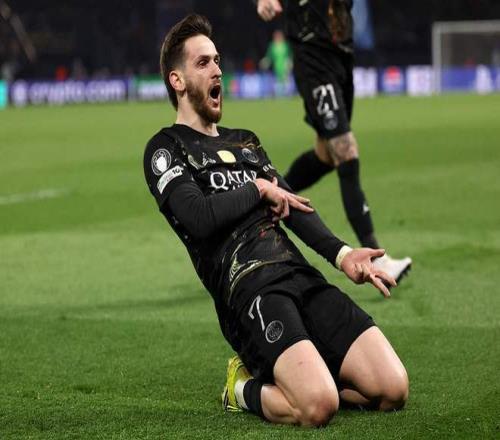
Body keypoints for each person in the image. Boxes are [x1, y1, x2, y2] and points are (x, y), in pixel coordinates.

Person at [143, 14, 408, 427]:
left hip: (299, 274)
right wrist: (256, 189)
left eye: (217, 61)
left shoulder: (245, 141)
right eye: (203, 63)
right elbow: (197, 218)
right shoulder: (165, 149)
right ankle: (242, 387)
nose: (217, 70)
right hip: (250, 288)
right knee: (318, 408)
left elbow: (293, 206)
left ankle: (309, 373)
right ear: (176, 80)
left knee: (393, 389)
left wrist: (342, 256)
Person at [256, 0, 412, 282]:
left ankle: (265, 203)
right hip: (312, 55)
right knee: (345, 149)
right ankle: (378, 258)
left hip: (341, 53)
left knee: (326, 155)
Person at [259, 29, 292, 96]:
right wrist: (265, 61)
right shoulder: (272, 45)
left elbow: (289, 55)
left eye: (279, 36)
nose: (277, 37)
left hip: (285, 66)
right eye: (276, 36)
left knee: (286, 80)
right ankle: (279, 95)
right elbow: (269, 56)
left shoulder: (286, 45)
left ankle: (288, 94)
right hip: (276, 66)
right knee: (278, 81)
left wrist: (289, 63)